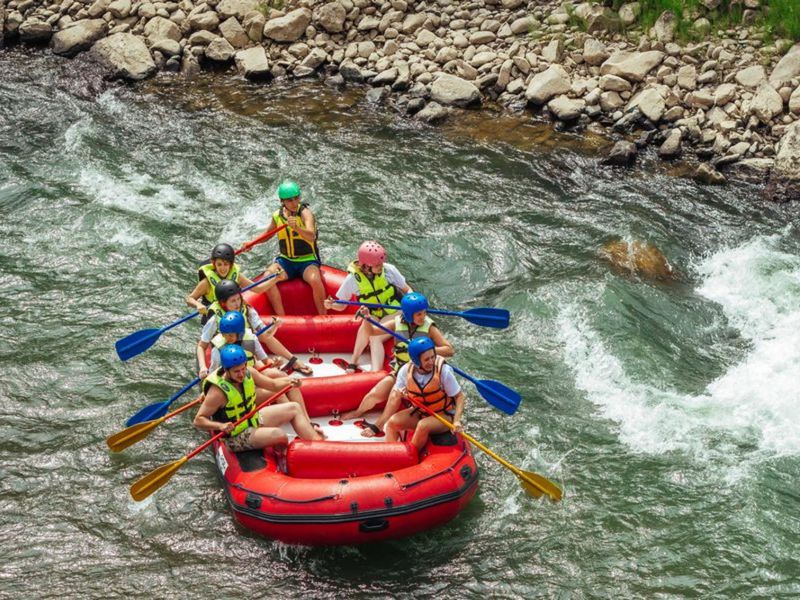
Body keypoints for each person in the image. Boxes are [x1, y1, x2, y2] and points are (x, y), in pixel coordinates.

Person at [342, 292, 454, 435]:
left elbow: (449, 350)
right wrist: (367, 318)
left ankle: (378, 425)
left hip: (419, 374)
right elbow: (372, 332)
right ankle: (358, 412)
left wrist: (425, 349)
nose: (423, 316)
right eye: (419, 314)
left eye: (424, 312)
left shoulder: (429, 327)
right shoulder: (397, 323)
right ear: (408, 314)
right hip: (400, 370)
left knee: (395, 395)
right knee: (374, 394)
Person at [193, 345, 323, 453]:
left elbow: (273, 385)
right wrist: (220, 426)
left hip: (252, 419)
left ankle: (319, 445)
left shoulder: (248, 372)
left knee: (294, 407)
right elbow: (198, 420)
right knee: (279, 434)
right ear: (226, 370)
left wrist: (291, 382)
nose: (242, 374)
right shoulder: (217, 393)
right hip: (234, 436)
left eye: (243, 368)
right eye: (237, 371)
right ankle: (283, 455)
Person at [205, 311, 315, 423]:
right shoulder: (218, 350)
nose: (227, 338)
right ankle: (295, 417)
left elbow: (266, 360)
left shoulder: (251, 338)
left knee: (285, 378)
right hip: (238, 385)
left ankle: (307, 420)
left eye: (231, 335)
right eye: (224, 334)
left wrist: (274, 362)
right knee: (278, 393)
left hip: (253, 376)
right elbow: (213, 374)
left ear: (240, 333)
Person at [323, 241, 413, 372]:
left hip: (395, 311)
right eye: (377, 265)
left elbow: (407, 289)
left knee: (375, 337)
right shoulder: (352, 280)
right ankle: (354, 361)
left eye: (381, 263)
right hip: (374, 313)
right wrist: (330, 305)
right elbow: (341, 306)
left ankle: (375, 372)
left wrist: (411, 303)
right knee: (366, 327)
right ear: (365, 267)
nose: (381, 266)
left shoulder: (389, 270)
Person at [196, 280, 313, 378]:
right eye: (233, 301)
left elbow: (266, 335)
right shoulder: (214, 318)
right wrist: (203, 367)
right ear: (223, 303)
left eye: (238, 299)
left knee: (275, 372)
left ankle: (292, 360)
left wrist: (274, 326)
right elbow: (201, 346)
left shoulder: (247, 309)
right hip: (226, 353)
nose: (237, 304)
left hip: (246, 347)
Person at [383, 337, 465, 450]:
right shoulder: (405, 371)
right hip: (420, 411)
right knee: (392, 422)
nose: (431, 362)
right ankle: (392, 454)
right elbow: (397, 392)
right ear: (416, 361)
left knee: (423, 425)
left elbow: (459, 396)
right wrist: (402, 394)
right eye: (426, 359)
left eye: (433, 357)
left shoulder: (444, 372)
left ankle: (410, 456)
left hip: (444, 416)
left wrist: (457, 421)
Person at [261, 180, 326, 315]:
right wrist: (250, 243)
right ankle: (282, 318)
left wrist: (297, 228)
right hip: (286, 261)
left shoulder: (305, 213)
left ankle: (323, 316)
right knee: (268, 276)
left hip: (307, 261)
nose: (294, 202)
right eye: (290, 200)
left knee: (314, 279)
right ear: (282, 201)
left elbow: (311, 236)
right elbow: (267, 235)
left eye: (296, 198)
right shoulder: (277, 216)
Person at [185, 242, 280, 323]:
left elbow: (258, 289)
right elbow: (189, 299)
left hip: (234, 316)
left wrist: (276, 278)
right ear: (214, 264)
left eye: (226, 264)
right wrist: (198, 305)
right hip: (214, 319)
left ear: (231, 265)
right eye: (219, 264)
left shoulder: (236, 276)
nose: (222, 268)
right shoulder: (206, 283)